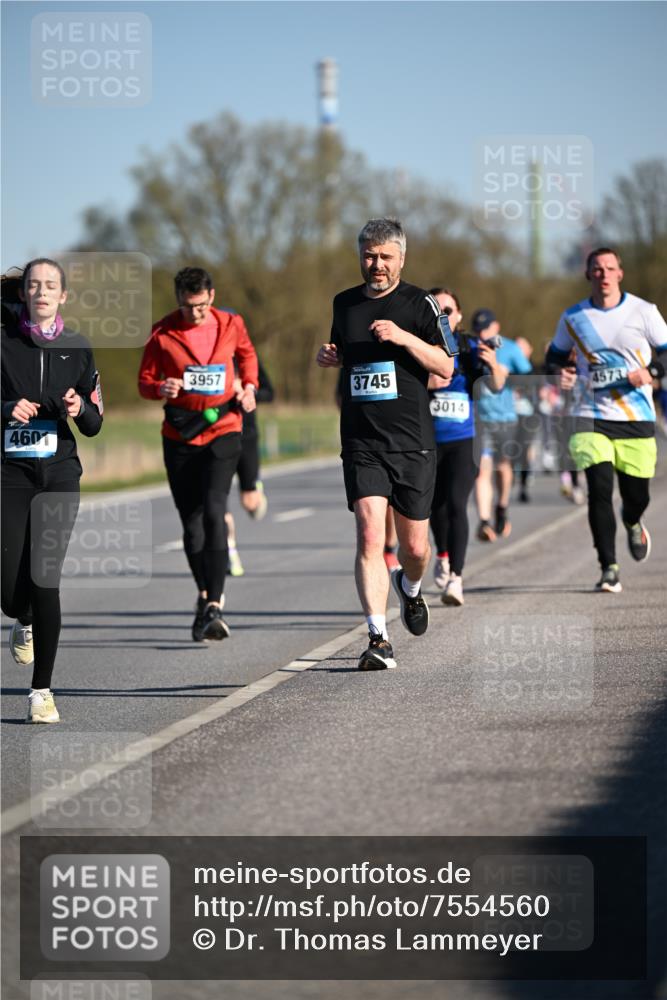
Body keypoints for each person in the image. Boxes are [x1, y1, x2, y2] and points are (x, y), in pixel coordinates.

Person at [316, 218, 454, 670]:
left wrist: (403, 336)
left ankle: (410, 589)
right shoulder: (344, 304)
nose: (376, 265)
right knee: (370, 535)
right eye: (369, 256)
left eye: (385, 257)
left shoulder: (422, 304)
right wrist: (331, 358)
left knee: (415, 551)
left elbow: (445, 368)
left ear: (401, 258)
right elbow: (346, 354)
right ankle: (378, 637)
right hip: (362, 440)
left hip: (412, 442)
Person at [1, 259, 103, 723]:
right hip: (10, 474)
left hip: (60, 473)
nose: (42, 291)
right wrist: (6, 407)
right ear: (23, 293)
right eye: (34, 285)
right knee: (8, 588)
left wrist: (79, 406)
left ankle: (41, 690)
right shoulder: (3, 341)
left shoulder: (78, 348)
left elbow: (96, 422)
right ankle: (20, 617)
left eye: (51, 286)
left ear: (63, 296)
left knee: (46, 578)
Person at [138, 267, 258, 639]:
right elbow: (144, 382)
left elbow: (247, 355)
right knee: (191, 524)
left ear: (212, 295)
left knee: (214, 510)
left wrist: (250, 386)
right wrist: (162, 387)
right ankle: (203, 596)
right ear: (179, 301)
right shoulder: (161, 333)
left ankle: (215, 605)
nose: (196, 313)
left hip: (224, 428)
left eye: (202, 306)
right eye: (189, 307)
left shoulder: (230, 323)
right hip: (180, 434)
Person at [546, 247, 667, 592]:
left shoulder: (643, 311)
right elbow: (554, 358)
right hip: (589, 415)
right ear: (588, 275)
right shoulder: (573, 316)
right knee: (599, 490)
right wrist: (562, 374)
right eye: (596, 269)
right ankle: (608, 567)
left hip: (636, 416)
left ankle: (632, 521)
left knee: (636, 495)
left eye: (609, 268)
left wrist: (652, 371)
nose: (603, 274)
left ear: (620, 273)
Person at [427, 289, 506, 606]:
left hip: (463, 439)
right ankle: (443, 555)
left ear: (459, 314)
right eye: (436, 308)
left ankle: (456, 579)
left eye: (449, 309)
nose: (443, 314)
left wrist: (493, 363)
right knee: (435, 505)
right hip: (426, 440)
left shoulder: (472, 345)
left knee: (457, 504)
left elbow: (497, 386)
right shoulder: (415, 345)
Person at [472, 309, 532, 541]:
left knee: (503, 468)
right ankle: (485, 521)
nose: (482, 333)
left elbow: (529, 376)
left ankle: (502, 507)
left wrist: (508, 376)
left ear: (496, 326)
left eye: (485, 328)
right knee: (482, 470)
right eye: (478, 329)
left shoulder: (509, 348)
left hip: (506, 418)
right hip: (481, 419)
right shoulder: (471, 347)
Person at [224, 357, 274, 577]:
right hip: (218, 436)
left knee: (250, 503)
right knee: (217, 500)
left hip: (247, 436)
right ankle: (229, 551)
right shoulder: (205, 353)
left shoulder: (247, 357)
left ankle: (255, 491)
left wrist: (247, 391)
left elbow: (270, 393)